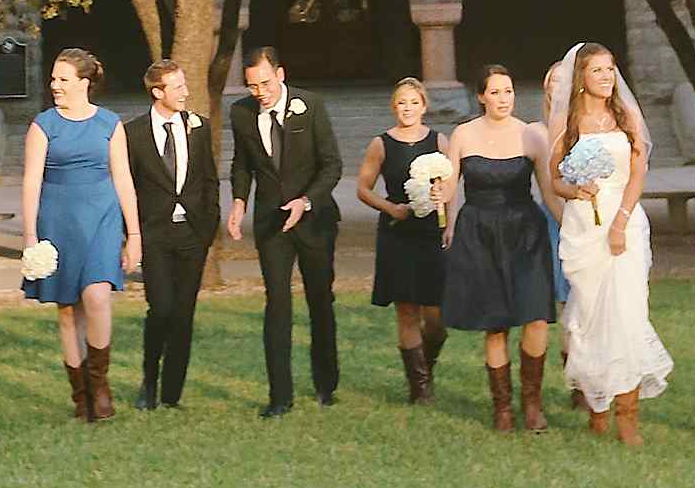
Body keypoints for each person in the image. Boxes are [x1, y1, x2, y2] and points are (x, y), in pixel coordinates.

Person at [553, 42, 670, 447]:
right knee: (590, 316)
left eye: (610, 69)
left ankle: (628, 414)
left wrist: (620, 222)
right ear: (581, 79)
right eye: (597, 71)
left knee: (626, 314)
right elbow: (554, 179)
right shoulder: (568, 122)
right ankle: (597, 406)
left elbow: (638, 173)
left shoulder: (626, 116)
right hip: (584, 222)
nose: (606, 77)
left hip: (623, 221)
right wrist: (574, 189)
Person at [437, 63, 560, 434]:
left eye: (508, 91)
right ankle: (502, 407)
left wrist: (574, 225)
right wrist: (445, 213)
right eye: (495, 92)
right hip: (479, 232)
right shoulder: (462, 135)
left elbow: (550, 193)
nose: (503, 99)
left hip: (525, 231)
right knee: (496, 324)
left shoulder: (532, 136)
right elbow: (449, 188)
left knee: (536, 317)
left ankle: (533, 403)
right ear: (481, 97)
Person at [22, 46, 141, 422]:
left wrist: (133, 232)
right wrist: (29, 237)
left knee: (97, 295)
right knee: (68, 310)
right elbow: (30, 182)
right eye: (53, 78)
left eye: (63, 79)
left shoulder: (109, 123)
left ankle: (100, 383)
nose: (54, 85)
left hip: (102, 219)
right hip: (57, 222)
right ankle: (80, 397)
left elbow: (123, 178)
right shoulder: (43, 125)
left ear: (84, 83)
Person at [226, 41, 344, 418]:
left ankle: (326, 383)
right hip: (271, 223)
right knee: (277, 303)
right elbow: (242, 164)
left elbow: (332, 165)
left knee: (319, 301)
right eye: (252, 86)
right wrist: (240, 201)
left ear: (280, 74)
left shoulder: (311, 106)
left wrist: (306, 202)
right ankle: (280, 396)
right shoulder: (241, 114)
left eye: (264, 83)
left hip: (314, 219)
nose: (259, 93)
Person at [122, 58, 219, 410]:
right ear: (157, 91)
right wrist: (132, 235)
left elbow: (209, 180)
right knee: (161, 308)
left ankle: (172, 392)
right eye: (177, 86)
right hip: (155, 235)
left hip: (192, 233)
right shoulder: (133, 133)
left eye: (184, 84)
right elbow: (126, 186)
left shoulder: (199, 128)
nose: (186, 92)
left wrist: (208, 227)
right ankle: (149, 380)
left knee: (183, 313)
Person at [354, 76, 448, 402]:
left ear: (424, 106)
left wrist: (443, 196)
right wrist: (390, 208)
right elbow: (362, 189)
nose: (407, 109)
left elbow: (454, 185)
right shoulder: (381, 143)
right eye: (401, 103)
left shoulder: (440, 140)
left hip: (432, 233)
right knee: (407, 311)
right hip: (398, 232)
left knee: (436, 318)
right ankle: (419, 388)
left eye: (413, 102)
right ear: (394, 107)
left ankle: (427, 365)